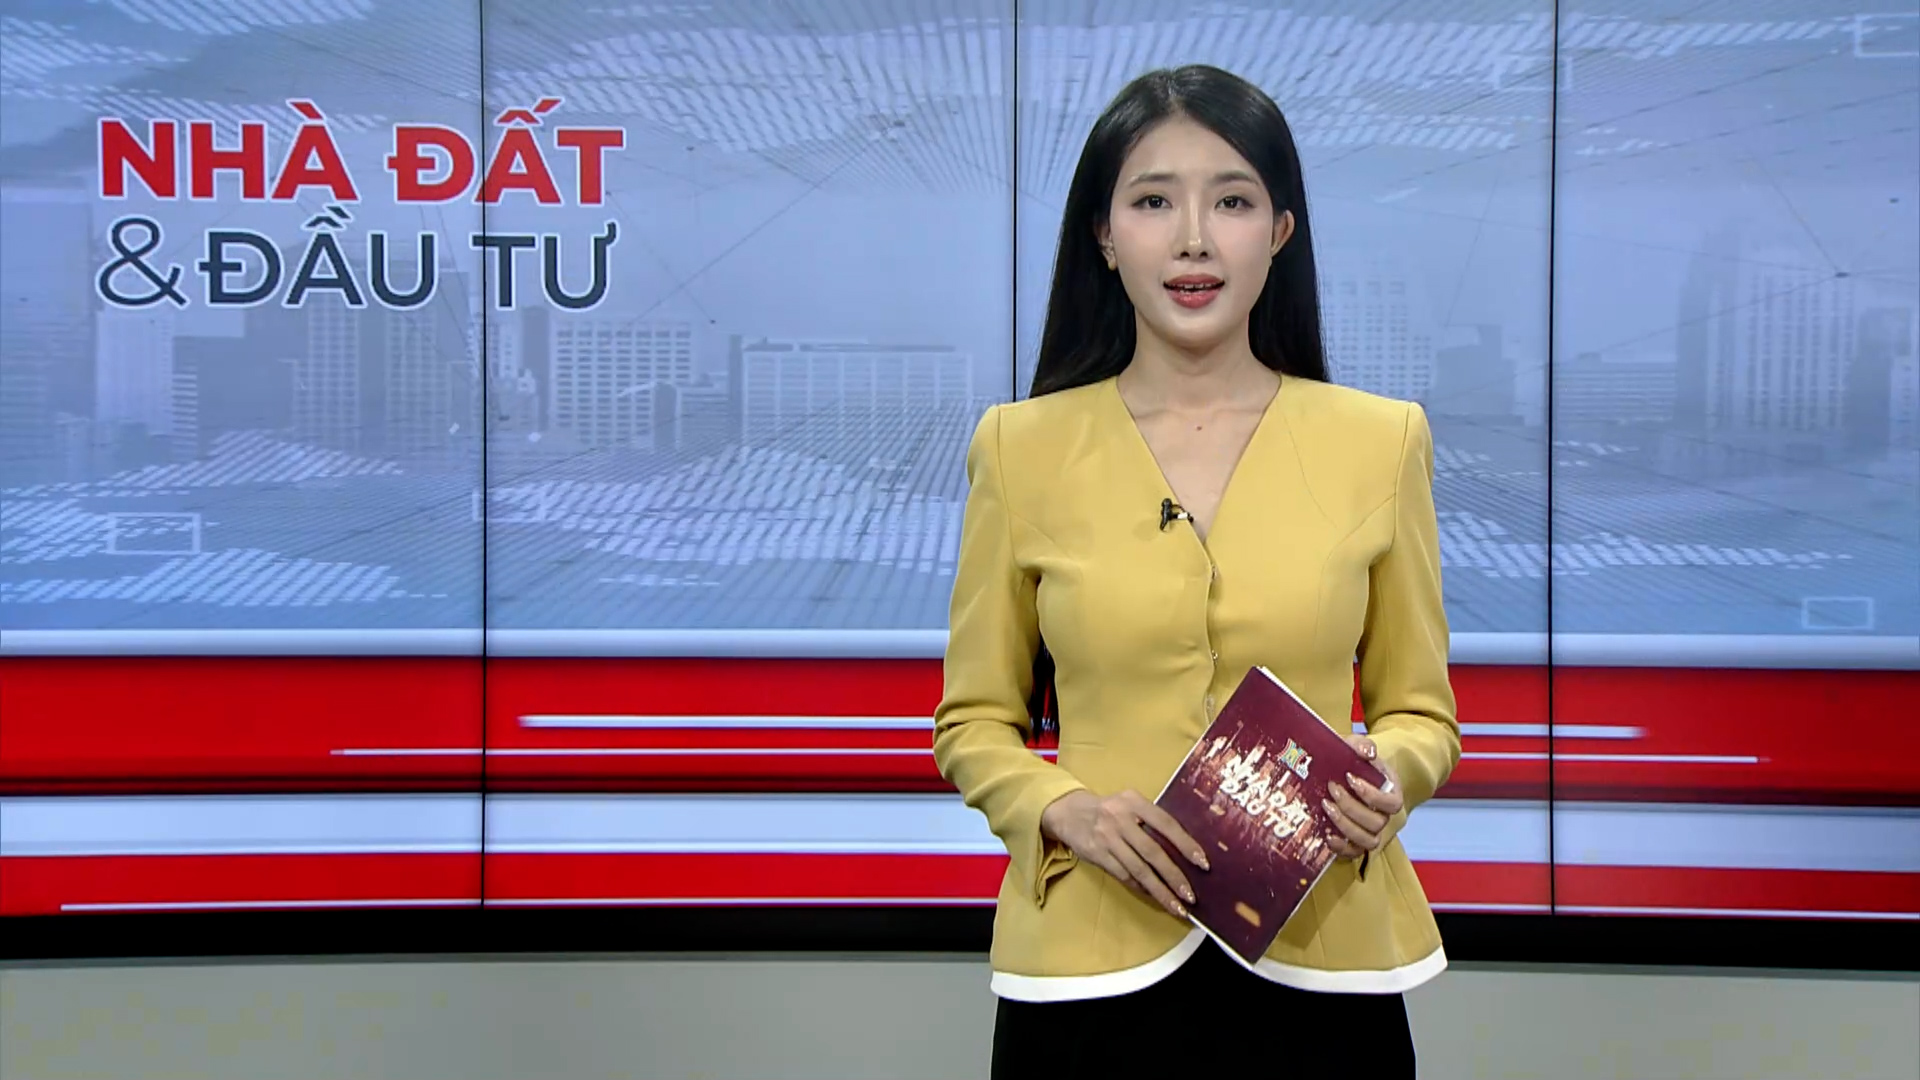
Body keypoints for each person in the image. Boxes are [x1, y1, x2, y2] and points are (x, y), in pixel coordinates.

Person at [931, 65, 1460, 1077]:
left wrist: (1390, 774)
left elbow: (1422, 713)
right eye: (1152, 202)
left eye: (1231, 202)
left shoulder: (1382, 441)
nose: (1192, 240)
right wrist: (1061, 812)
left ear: (1281, 231)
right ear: (1103, 234)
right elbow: (973, 722)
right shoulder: (1019, 448)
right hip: (1089, 967)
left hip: (1322, 958)